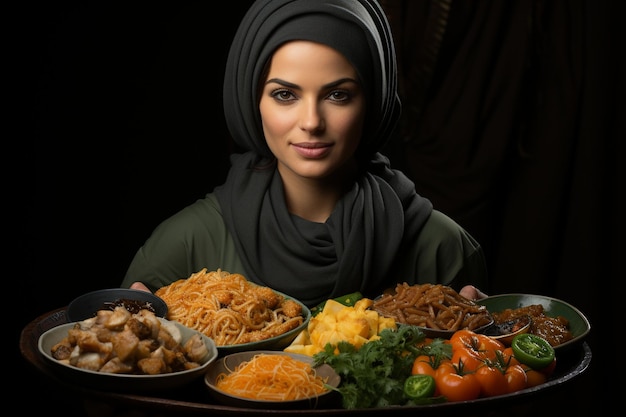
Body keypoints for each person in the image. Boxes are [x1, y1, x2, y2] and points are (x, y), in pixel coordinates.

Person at [120, 0, 488, 307]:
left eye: (338, 94)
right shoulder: (185, 245)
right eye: (285, 95)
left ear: (373, 104)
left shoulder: (442, 250)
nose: (311, 122)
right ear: (251, 102)